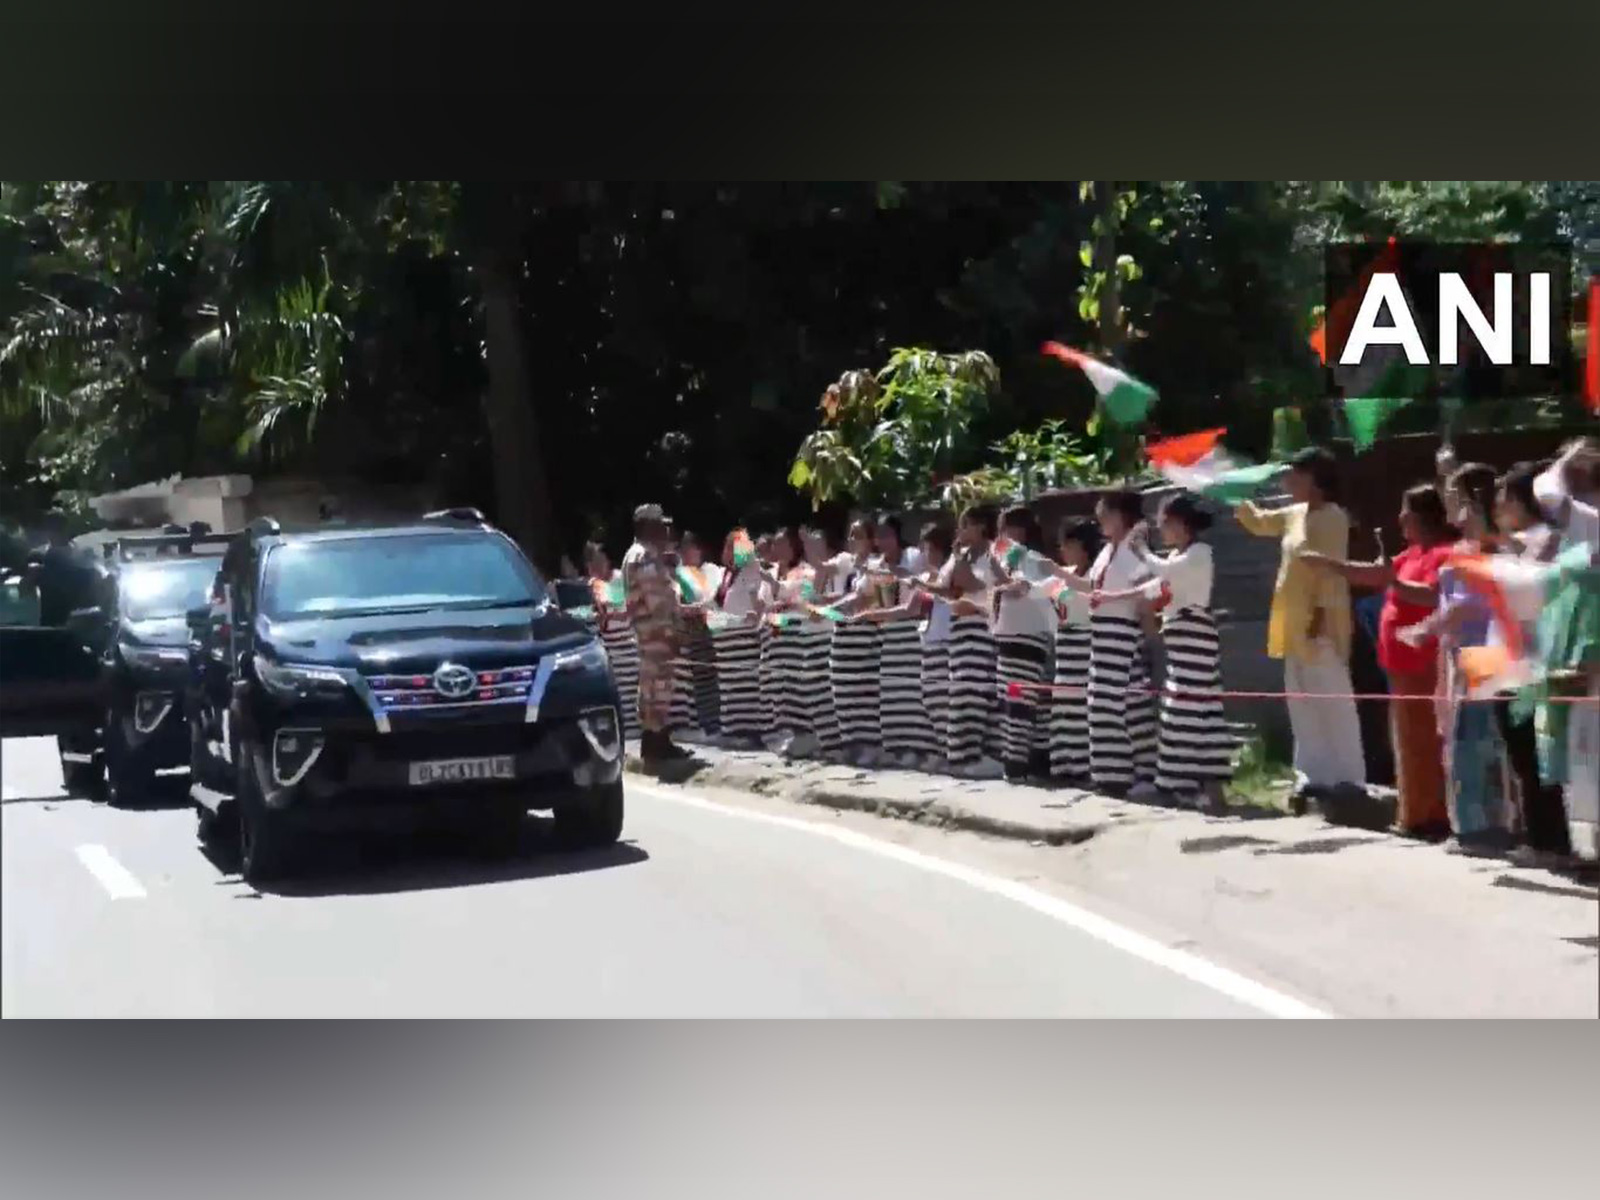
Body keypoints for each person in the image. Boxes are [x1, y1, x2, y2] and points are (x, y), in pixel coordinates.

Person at [1304, 483, 1453, 836]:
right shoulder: (1411, 554)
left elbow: (1433, 597)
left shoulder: (1444, 554)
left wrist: (1395, 585)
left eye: (1405, 509)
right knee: (1406, 745)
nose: (1400, 517)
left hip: (1424, 667)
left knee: (1426, 746)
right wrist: (1328, 564)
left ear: (1421, 515)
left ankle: (1432, 817)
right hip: (1400, 668)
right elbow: (1373, 574)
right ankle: (1414, 814)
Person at [1234, 447, 1365, 804]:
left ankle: (1349, 778)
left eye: (1295, 475)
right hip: (1292, 624)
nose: (1288, 482)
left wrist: (1318, 622)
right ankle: (1313, 776)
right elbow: (1260, 522)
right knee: (1302, 704)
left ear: (1315, 478)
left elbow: (1329, 573)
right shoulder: (1295, 513)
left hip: (1319, 624)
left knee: (1333, 701)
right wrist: (1232, 496)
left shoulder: (1332, 516)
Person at [1094, 493, 1232, 808]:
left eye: (1165, 523)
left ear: (1182, 524)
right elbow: (1150, 588)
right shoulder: (1177, 556)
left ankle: (1174, 785)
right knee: (1204, 711)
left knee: (1180, 711)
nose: (1161, 529)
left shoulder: (1199, 553)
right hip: (1180, 637)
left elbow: (1163, 574)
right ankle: (1209, 788)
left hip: (1194, 635)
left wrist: (1140, 549)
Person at [1406, 464, 1513, 854]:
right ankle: (1476, 824)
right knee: (1461, 736)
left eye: (1454, 497)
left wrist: (1423, 629)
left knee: (1475, 740)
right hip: (1458, 652)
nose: (1448, 504)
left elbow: (1467, 606)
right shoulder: (1464, 547)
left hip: (1484, 651)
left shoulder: (1488, 545)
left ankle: (1481, 828)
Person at [1492, 463, 1572, 859]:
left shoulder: (1549, 539)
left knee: (1537, 754)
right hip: (1508, 660)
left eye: (1504, 496)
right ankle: (1539, 837)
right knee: (1522, 755)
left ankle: (1553, 841)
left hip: (1537, 661)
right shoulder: (1513, 543)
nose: (1498, 505)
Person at [1077, 491, 1158, 797]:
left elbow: (1145, 594)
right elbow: (1090, 587)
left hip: (1124, 634)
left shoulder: (1136, 551)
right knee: (1100, 706)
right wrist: (1056, 574)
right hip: (1101, 635)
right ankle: (1110, 776)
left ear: (1122, 516)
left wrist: (1150, 638)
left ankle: (1145, 774)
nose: (1101, 521)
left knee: (1130, 708)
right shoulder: (1104, 552)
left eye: (1106, 515)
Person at [913, 505, 1002, 779]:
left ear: (979, 528)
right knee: (959, 696)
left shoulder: (991, 554)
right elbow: (948, 587)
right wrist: (924, 585)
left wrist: (958, 561)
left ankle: (977, 757)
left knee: (972, 695)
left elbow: (974, 585)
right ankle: (963, 758)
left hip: (980, 631)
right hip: (959, 634)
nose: (960, 532)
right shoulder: (960, 556)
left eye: (965, 526)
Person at [989, 505, 1058, 781]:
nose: (1001, 536)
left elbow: (1024, 588)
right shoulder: (1008, 560)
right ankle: (1028, 762)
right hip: (1007, 637)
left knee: (1020, 704)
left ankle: (1016, 765)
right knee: (1012, 703)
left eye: (1006, 529)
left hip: (1028, 638)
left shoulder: (1032, 559)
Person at [622, 503, 691, 764]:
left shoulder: (638, 554)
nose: (666, 530)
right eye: (661, 525)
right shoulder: (644, 556)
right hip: (655, 631)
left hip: (648, 631)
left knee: (652, 686)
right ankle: (656, 742)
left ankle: (655, 740)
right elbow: (657, 600)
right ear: (648, 527)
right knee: (658, 686)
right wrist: (671, 629)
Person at [828, 518, 885, 766]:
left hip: (864, 635)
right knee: (842, 691)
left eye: (858, 535)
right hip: (843, 635)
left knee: (863, 692)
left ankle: (871, 746)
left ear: (872, 539)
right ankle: (851, 743)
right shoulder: (848, 567)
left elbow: (861, 599)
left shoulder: (876, 566)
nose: (853, 541)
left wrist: (827, 610)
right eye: (850, 535)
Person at [1047, 518, 1099, 784]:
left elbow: (1089, 592)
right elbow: (1058, 600)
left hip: (1085, 642)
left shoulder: (1094, 572)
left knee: (1082, 709)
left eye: (1068, 544)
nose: (1063, 550)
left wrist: (1060, 574)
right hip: (1064, 645)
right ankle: (1065, 766)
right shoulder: (1061, 575)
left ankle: (1086, 768)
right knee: (1064, 708)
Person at [668, 531, 722, 741]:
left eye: (689, 547)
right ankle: (699, 725)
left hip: (710, 630)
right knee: (693, 680)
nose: (686, 552)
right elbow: (675, 602)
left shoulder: (711, 570)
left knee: (711, 678)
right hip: (688, 632)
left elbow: (712, 596)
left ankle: (714, 724)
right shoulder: (679, 575)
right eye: (683, 549)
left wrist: (696, 607)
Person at [585, 540, 639, 741]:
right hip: (610, 645)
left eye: (601, 560)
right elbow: (603, 606)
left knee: (632, 689)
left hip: (628, 643)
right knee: (618, 690)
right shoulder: (594, 584)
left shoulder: (619, 579)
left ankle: (636, 732)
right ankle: (626, 734)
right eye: (594, 562)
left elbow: (626, 610)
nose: (598, 565)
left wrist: (611, 614)